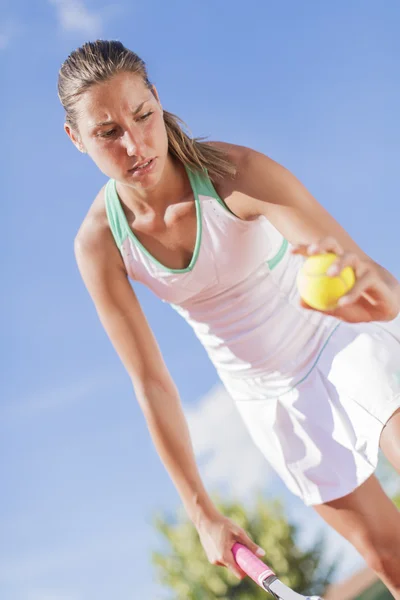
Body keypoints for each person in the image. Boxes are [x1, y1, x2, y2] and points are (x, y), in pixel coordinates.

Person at [58, 40, 400, 595]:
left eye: (143, 116)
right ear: (76, 139)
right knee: (389, 558)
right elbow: (150, 382)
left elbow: (360, 272)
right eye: (107, 133)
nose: (135, 143)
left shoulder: (235, 172)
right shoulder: (100, 244)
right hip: (267, 396)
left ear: (157, 101)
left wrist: (377, 295)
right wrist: (201, 512)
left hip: (338, 337)